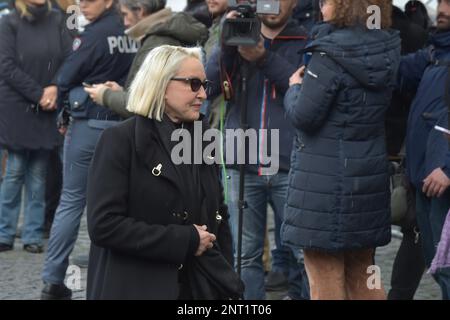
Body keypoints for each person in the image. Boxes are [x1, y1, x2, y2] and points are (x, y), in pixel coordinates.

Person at [86, 45, 242, 300]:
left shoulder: (203, 139)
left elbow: (218, 214)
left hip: (198, 288)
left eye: (204, 84)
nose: (202, 93)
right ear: (160, 83)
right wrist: (185, 240)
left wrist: (226, 280)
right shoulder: (119, 140)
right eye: (193, 84)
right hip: (137, 286)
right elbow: (104, 225)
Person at [282, 0, 400, 300]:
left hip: (323, 185)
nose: (321, 6)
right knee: (365, 274)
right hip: (367, 183)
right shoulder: (386, 49)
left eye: (326, 0)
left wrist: (294, 88)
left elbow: (304, 117)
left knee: (324, 278)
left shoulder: (328, 53)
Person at [206, 0, 309, 300]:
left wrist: (263, 58)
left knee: (304, 254)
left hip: (291, 164)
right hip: (242, 163)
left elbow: (304, 92)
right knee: (244, 255)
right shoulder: (240, 32)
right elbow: (210, 87)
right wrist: (226, 44)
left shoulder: (307, 40)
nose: (273, 6)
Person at [41, 0, 136, 299]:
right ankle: (109, 276)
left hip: (89, 125)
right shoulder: (130, 31)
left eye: (90, 0)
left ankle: (53, 280)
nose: (82, 5)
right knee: (117, 205)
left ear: (109, 1)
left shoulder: (93, 34)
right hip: (122, 125)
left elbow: (67, 75)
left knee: (71, 201)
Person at [0, 0, 71, 254]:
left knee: (39, 175)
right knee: (14, 172)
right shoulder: (8, 22)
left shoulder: (58, 20)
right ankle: (4, 232)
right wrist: (39, 93)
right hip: (17, 107)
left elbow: (67, 59)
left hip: (47, 107)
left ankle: (32, 233)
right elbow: (6, 66)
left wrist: (53, 88)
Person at [399, 0, 450, 300]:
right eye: (442, 2)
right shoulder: (435, 49)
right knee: (439, 267)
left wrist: (447, 168)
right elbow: (395, 71)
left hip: (441, 178)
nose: (443, 9)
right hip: (425, 178)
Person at [84, 0, 208, 119]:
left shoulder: (157, 42)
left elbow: (145, 104)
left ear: (140, 11)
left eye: (125, 14)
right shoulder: (168, 34)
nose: (125, 22)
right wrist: (121, 91)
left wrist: (105, 95)